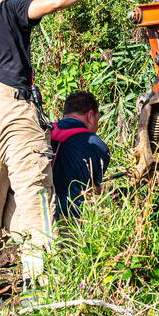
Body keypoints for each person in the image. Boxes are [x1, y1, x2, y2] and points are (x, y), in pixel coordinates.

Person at [0, 0, 137, 304]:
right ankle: (42, 289)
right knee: (34, 194)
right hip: (15, 108)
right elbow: (56, 1)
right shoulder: (10, 9)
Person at [51, 90, 110, 220]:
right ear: (90, 115)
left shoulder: (43, 130)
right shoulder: (98, 146)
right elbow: (93, 189)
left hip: (35, 210)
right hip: (68, 218)